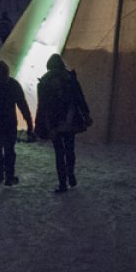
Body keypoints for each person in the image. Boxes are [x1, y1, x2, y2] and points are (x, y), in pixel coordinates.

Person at [35, 54, 92, 193]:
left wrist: (39, 123)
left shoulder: (45, 80)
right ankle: (70, 174)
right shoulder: (70, 78)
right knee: (70, 149)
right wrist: (86, 114)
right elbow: (79, 98)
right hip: (70, 118)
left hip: (53, 120)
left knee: (59, 152)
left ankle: (62, 183)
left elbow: (42, 105)